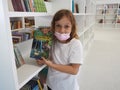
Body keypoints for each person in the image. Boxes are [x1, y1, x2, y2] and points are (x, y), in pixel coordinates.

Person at [36, 9, 83, 90]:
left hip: (67, 87)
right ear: (53, 26)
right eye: (58, 26)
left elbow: (74, 70)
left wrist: (50, 64)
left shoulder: (75, 44)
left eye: (66, 26)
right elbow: (52, 58)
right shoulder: (52, 41)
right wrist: (43, 60)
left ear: (72, 27)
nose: (62, 31)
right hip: (51, 84)